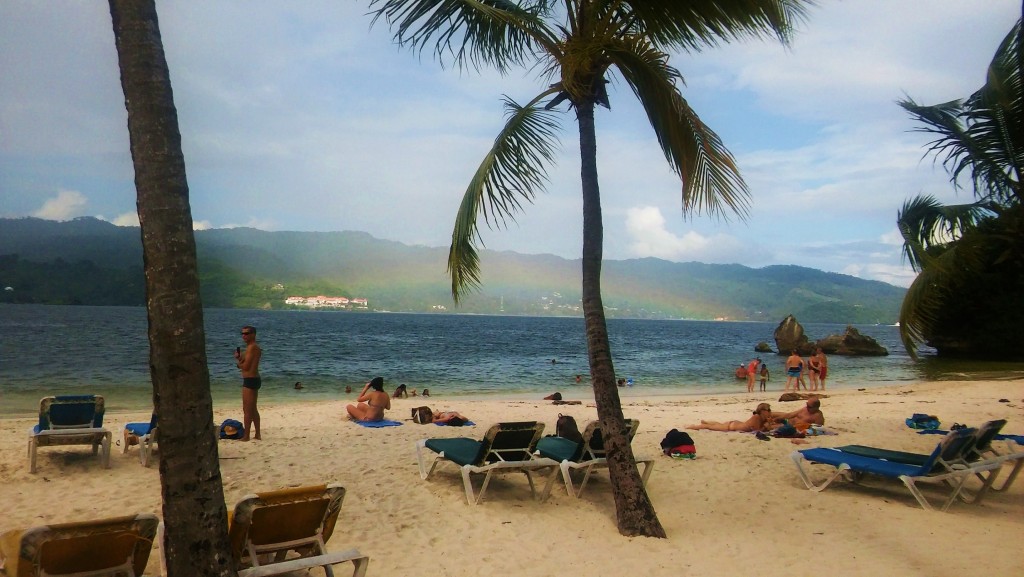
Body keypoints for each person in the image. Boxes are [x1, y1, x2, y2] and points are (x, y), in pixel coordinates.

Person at [234, 325, 262, 441]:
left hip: (250, 380)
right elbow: (243, 363)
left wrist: (239, 364)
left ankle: (246, 436)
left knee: (247, 409)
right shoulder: (250, 348)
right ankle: (257, 434)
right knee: (252, 408)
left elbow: (245, 366)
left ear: (253, 334)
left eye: (246, 333)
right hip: (252, 379)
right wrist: (239, 358)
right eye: (242, 334)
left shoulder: (253, 348)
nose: (244, 336)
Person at [687, 403, 773, 432]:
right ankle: (692, 427)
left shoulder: (760, 418)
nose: (770, 411)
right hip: (731, 427)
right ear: (762, 411)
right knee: (709, 427)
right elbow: (757, 431)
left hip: (735, 424)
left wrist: (767, 423)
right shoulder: (757, 417)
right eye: (768, 410)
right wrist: (766, 425)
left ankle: (706, 422)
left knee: (718, 424)